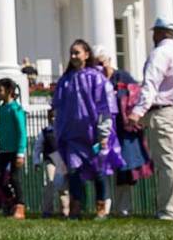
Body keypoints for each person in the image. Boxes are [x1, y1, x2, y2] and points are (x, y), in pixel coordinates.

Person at [128, 17, 173, 221]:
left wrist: (138, 111)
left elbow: (150, 84)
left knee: (168, 162)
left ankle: (169, 211)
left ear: (158, 33)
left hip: (164, 113)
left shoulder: (159, 54)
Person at [53, 40, 123, 219]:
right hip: (72, 136)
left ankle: (101, 207)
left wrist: (103, 134)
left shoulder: (96, 78)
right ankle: (76, 208)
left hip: (93, 135)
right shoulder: (65, 80)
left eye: (77, 52)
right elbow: (59, 108)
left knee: (98, 171)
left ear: (86, 54)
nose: (73, 56)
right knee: (74, 171)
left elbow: (105, 107)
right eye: (71, 53)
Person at [97, 47, 151, 217]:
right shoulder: (95, 80)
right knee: (103, 170)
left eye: (102, 63)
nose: (100, 67)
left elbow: (135, 98)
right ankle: (104, 209)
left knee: (124, 170)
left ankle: (123, 209)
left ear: (109, 61)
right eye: (96, 64)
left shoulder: (123, 77)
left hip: (123, 131)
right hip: (103, 131)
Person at [0, 77, 28, 218]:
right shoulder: (1, 108)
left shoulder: (16, 109)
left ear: (9, 91)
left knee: (14, 178)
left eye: (0, 90)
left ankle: (20, 206)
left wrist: (20, 152)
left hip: (15, 150)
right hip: (4, 149)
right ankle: (10, 200)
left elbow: (22, 131)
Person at [37, 109, 69, 218]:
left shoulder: (64, 131)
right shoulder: (45, 132)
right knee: (50, 182)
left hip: (61, 160)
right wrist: (36, 161)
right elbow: (38, 147)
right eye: (51, 116)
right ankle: (47, 210)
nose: (53, 119)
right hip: (50, 159)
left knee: (63, 186)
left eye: (55, 116)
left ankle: (65, 210)